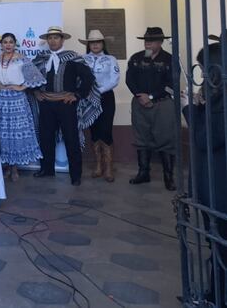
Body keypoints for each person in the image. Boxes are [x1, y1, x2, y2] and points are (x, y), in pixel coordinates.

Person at [185, 38, 226, 305]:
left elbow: (204, 140)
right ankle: (214, 294)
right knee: (217, 246)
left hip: (219, 189)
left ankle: (216, 297)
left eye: (203, 71)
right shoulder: (216, 98)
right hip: (212, 186)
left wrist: (192, 108)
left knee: (220, 247)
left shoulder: (220, 103)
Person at [32, 26, 100, 186]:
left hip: (65, 104)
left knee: (71, 138)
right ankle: (47, 169)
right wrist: (35, 91)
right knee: (46, 137)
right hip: (47, 103)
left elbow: (88, 79)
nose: (53, 40)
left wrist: (76, 95)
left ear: (62, 40)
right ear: (47, 41)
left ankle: (75, 175)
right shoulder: (41, 58)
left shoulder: (73, 58)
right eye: (50, 38)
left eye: (56, 37)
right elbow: (30, 76)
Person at [0, 34, 45, 181]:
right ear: (1, 44)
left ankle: (15, 168)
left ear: (15, 44)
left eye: (11, 42)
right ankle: (6, 166)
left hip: (17, 101)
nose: (8, 45)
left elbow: (36, 77)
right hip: (0, 100)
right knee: (2, 133)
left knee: (15, 133)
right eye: (5, 42)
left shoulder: (22, 59)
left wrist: (21, 87)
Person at [126, 26, 177, 190]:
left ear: (160, 42)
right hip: (139, 103)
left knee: (166, 139)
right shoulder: (136, 58)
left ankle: (168, 177)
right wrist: (139, 95)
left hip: (162, 104)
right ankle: (143, 173)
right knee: (141, 138)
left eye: (151, 41)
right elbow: (129, 79)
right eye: (146, 41)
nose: (147, 44)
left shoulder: (170, 59)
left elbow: (172, 85)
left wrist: (152, 96)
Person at [80, 29, 120, 182]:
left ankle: (109, 167)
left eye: (98, 42)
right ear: (88, 44)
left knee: (106, 130)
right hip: (88, 99)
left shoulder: (111, 59)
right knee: (94, 130)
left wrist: (97, 91)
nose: (95, 45)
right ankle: (98, 165)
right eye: (92, 42)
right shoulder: (83, 59)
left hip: (106, 98)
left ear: (103, 44)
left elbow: (114, 79)